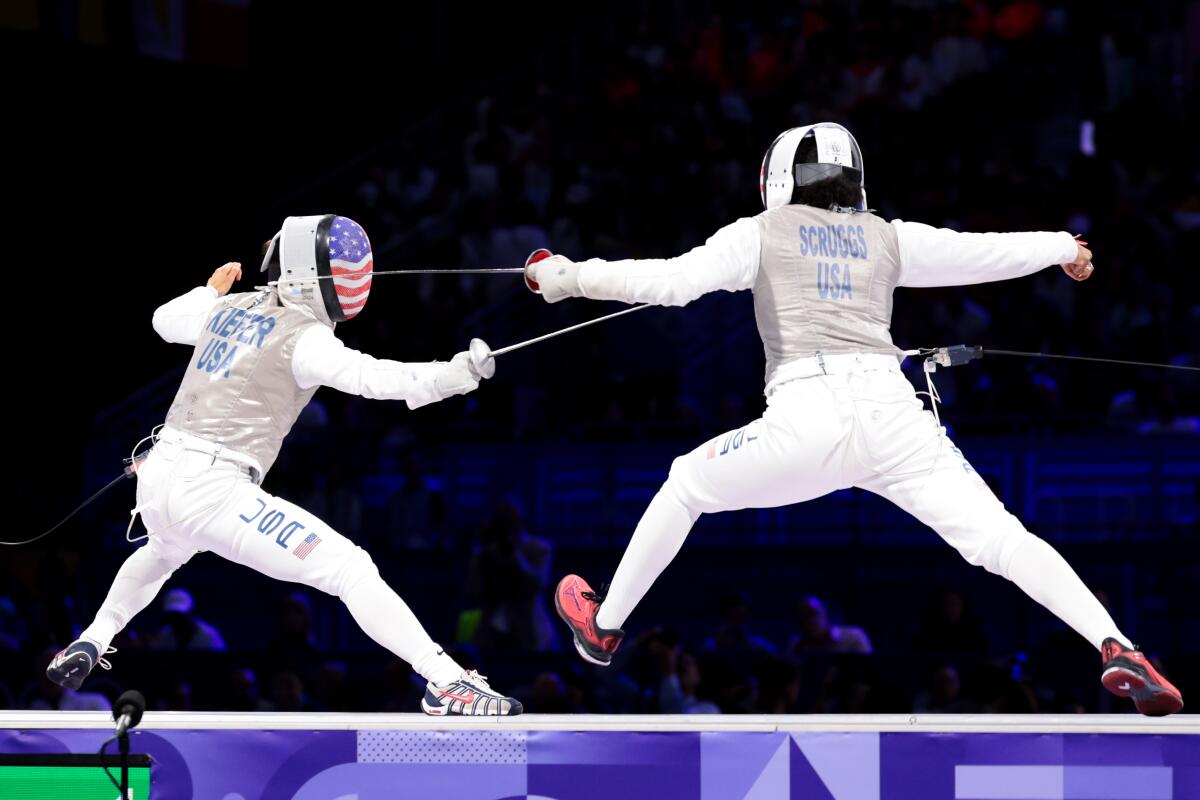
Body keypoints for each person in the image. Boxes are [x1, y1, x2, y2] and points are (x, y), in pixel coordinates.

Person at [535, 123, 1183, 716]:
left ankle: (603, 626)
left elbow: (672, 283)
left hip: (806, 420)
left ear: (778, 179)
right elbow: (974, 253)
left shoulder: (758, 234)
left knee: (685, 482)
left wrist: (566, 278)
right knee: (1001, 541)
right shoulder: (887, 236)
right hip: (897, 421)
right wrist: (1060, 246)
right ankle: (1117, 644)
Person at [47, 215, 521, 716]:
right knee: (348, 568)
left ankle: (93, 638)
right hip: (214, 487)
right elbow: (375, 378)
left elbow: (164, 320)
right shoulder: (304, 336)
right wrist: (455, 375)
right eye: (342, 271)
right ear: (309, 273)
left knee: (165, 548)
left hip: (160, 474)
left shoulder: (228, 308)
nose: (353, 282)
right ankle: (445, 681)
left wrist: (208, 292)